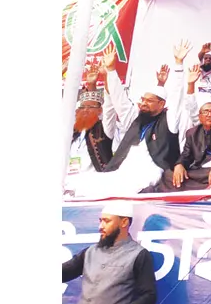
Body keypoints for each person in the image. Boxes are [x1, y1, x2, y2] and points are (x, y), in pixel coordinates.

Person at [66, 50, 186, 198]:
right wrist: (111, 70)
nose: (143, 103)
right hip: (124, 170)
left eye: (149, 101)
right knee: (83, 183)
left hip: (149, 171)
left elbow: (177, 97)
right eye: (143, 100)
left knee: (122, 190)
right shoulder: (136, 119)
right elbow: (120, 100)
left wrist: (179, 65)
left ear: (161, 104)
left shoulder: (169, 121)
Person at [62, 200, 157, 304]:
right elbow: (63, 272)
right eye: (100, 221)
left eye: (107, 221)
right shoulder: (90, 252)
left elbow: (148, 297)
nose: (101, 227)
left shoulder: (139, 255)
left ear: (124, 222)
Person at [157, 97, 211, 192]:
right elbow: (186, 155)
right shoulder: (192, 133)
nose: (209, 115)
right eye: (205, 112)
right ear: (200, 116)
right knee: (169, 174)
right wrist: (179, 164)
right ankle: (207, 187)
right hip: (200, 170)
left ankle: (194, 188)